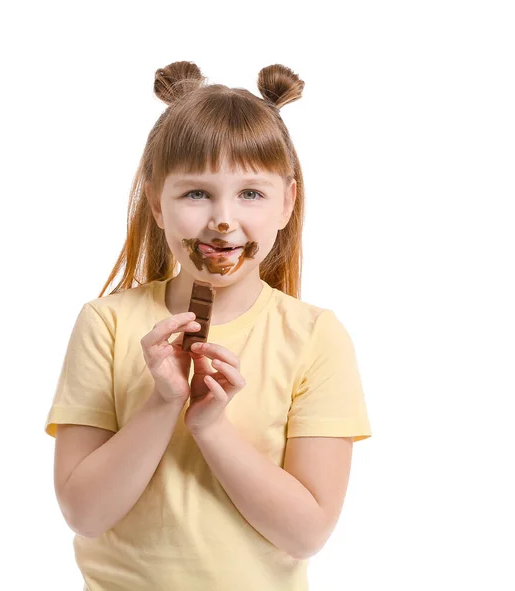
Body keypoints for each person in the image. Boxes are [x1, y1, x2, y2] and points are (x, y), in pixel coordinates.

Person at [44, 60, 372, 591]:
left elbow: (307, 533)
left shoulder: (315, 337)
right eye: (197, 193)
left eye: (251, 193)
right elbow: (85, 513)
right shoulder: (105, 323)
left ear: (287, 202)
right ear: (157, 201)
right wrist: (161, 402)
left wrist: (211, 426)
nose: (223, 219)